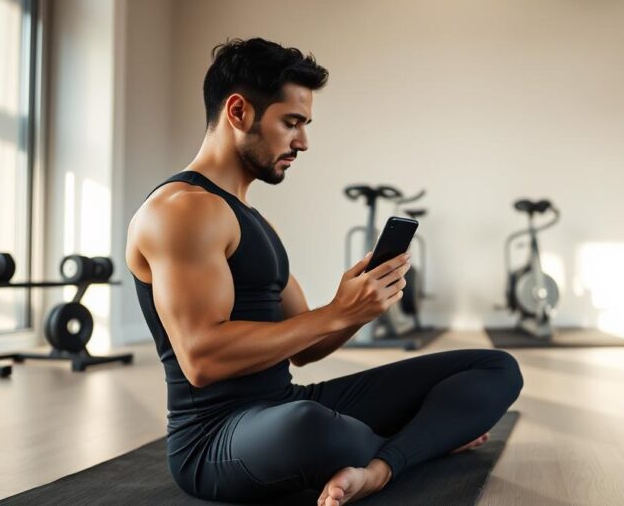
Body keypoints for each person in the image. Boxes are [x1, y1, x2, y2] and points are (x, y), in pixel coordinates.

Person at [126, 38, 523, 505]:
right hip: (214, 442)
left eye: (305, 125)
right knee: (309, 427)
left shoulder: (253, 218)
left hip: (287, 402)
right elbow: (201, 360)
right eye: (290, 123)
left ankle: (378, 467)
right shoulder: (181, 211)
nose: (303, 142)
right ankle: (420, 444)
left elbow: (307, 348)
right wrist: (336, 312)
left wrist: (360, 305)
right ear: (238, 112)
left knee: (494, 367)